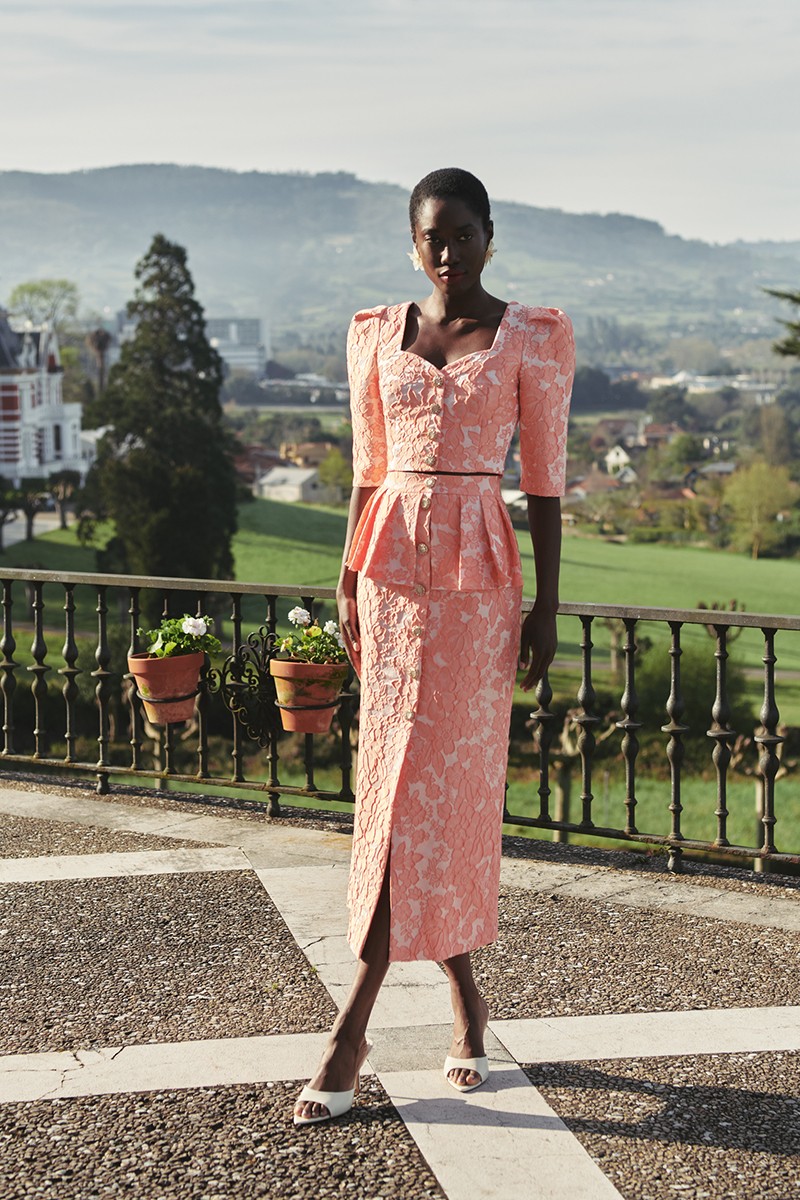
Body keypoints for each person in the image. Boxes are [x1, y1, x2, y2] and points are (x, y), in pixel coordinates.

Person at [293, 167, 575, 1125]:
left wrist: (546, 607)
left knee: (443, 792)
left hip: (479, 588)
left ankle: (354, 1022)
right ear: (413, 244)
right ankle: (461, 997)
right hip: (389, 578)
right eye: (431, 237)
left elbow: (543, 483)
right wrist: (343, 578)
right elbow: (370, 474)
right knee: (393, 785)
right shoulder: (377, 333)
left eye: (462, 233)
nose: (446, 251)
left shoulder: (532, 336)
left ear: (490, 235)